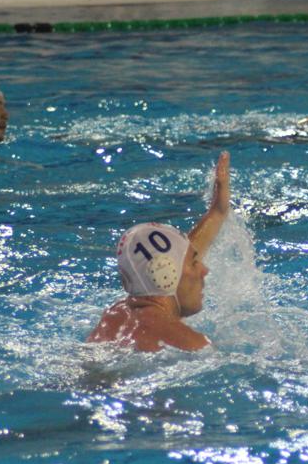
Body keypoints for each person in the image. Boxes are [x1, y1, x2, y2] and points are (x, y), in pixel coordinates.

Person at [87, 151, 231, 352]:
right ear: (165, 276)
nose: (204, 270)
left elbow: (176, 257)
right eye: (194, 262)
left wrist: (218, 211)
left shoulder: (115, 317)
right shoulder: (188, 343)